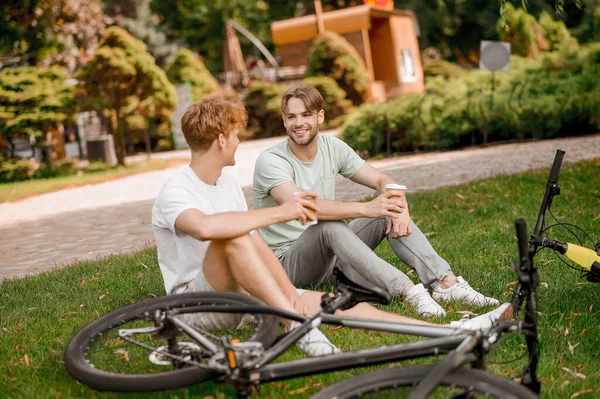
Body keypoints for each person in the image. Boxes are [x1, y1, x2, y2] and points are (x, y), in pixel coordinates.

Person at [151, 97, 510, 359]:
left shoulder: (226, 185)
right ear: (220, 140)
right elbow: (205, 228)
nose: (239, 142)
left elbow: (254, 243)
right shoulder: (176, 189)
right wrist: (281, 214)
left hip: (248, 292)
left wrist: (288, 288)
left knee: (337, 307)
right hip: (196, 303)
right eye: (235, 135)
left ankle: (452, 331)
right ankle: (297, 326)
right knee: (233, 238)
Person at [253, 85, 501, 318]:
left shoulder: (332, 146)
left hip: (330, 258)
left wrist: (398, 205)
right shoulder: (271, 161)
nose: (298, 123)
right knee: (330, 224)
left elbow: (382, 180)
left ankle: (444, 283)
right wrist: (366, 207)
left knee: (385, 211)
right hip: (287, 266)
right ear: (284, 120)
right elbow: (305, 207)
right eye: (291, 117)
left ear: (320, 117)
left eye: (306, 115)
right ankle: (408, 291)